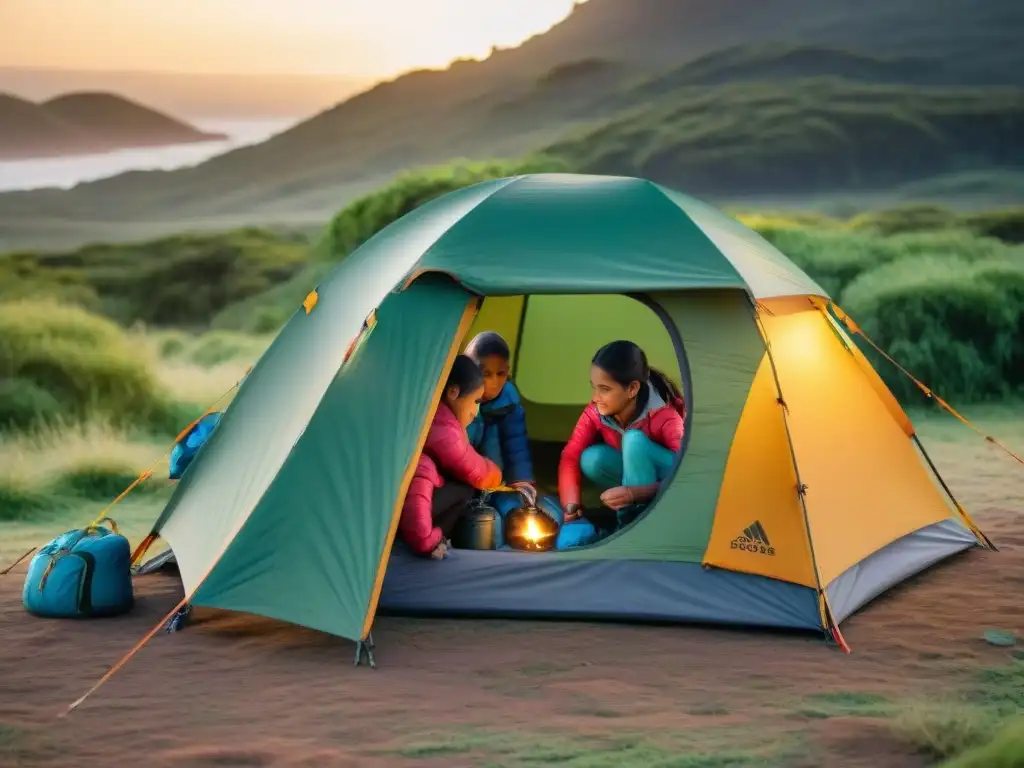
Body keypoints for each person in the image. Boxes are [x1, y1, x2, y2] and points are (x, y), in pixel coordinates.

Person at [558, 340, 685, 538]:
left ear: (632, 389)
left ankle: (634, 526)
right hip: (638, 476)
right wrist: (571, 504)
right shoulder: (595, 412)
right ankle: (630, 516)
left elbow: (688, 474)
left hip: (671, 478)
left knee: (634, 440)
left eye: (604, 389)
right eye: (594, 387)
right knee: (591, 458)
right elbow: (570, 456)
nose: (595, 397)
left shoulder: (665, 416)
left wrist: (635, 494)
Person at [399, 355, 504, 559]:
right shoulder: (442, 430)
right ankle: (435, 542)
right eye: (475, 401)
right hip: (407, 520)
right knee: (464, 488)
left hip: (399, 509)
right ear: (453, 392)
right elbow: (472, 467)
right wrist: (496, 476)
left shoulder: (431, 414)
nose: (476, 412)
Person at [463, 332, 537, 539]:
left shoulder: (508, 401)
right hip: (462, 473)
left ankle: (501, 505)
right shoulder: (457, 397)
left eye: (501, 374)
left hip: (494, 476)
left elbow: (517, 445)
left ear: (508, 371)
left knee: (515, 510)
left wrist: (522, 481)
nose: (494, 382)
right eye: (485, 374)